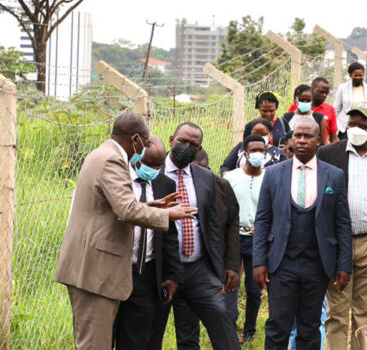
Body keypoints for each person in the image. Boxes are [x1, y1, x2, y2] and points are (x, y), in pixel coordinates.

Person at [55, 112, 196, 350]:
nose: (145, 148)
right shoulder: (113, 159)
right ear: (135, 139)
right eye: (145, 141)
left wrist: (152, 206)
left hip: (97, 269)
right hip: (95, 271)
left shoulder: (101, 153)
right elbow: (125, 211)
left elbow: (110, 207)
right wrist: (167, 214)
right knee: (95, 345)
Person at [253, 117, 352, 350]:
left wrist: (344, 265)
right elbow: (263, 219)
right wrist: (259, 261)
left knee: (310, 327)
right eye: (298, 135)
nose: (302, 141)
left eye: (308, 136)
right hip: (281, 263)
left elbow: (342, 223)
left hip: (317, 264)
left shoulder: (334, 176)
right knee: (278, 325)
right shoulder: (274, 174)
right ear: (290, 140)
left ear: (318, 141)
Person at [148, 123, 241, 350]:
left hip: (198, 268)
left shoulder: (206, 178)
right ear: (171, 140)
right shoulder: (152, 174)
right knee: (152, 331)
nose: (187, 147)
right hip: (161, 269)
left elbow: (218, 224)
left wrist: (228, 264)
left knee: (221, 318)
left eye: (194, 145)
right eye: (183, 142)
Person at [317, 103, 367, 350]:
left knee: (365, 312)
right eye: (352, 124)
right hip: (337, 242)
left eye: (362, 126)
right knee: (337, 313)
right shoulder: (328, 154)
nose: (356, 129)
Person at [112, 135, 184, 350]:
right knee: (106, 333)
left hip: (146, 272)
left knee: (136, 337)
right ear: (135, 159)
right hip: (116, 269)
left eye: (158, 165)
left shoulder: (165, 184)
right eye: (148, 164)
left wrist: (173, 275)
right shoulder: (118, 180)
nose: (152, 169)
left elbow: (169, 235)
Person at [177, 149, 242, 349]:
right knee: (186, 328)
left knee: (221, 317)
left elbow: (232, 225)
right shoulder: (170, 184)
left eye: (202, 170)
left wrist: (230, 264)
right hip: (174, 267)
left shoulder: (220, 186)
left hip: (205, 266)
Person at [221, 134, 267, 344]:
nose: (257, 154)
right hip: (233, 239)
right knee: (230, 282)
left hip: (258, 241)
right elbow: (222, 209)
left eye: (261, 150)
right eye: (253, 150)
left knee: (254, 289)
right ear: (245, 153)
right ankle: (229, 327)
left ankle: (249, 332)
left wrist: (264, 227)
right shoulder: (231, 178)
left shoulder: (270, 177)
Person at [221, 118, 288, 175]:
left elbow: (286, 172)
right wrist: (228, 178)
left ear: (270, 134)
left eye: (263, 134)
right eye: (255, 134)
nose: (259, 137)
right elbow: (226, 166)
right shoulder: (241, 148)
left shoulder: (278, 153)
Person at [288, 77, 340, 143]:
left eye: (326, 93)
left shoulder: (330, 109)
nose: (324, 95)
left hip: (320, 151)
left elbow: (333, 138)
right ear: (312, 90)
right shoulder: (295, 107)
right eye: (321, 92)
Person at [333, 62, 367, 140]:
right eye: (356, 75)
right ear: (350, 75)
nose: (358, 78)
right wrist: (333, 130)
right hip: (346, 126)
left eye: (361, 75)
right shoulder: (342, 88)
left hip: (363, 127)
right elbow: (336, 109)